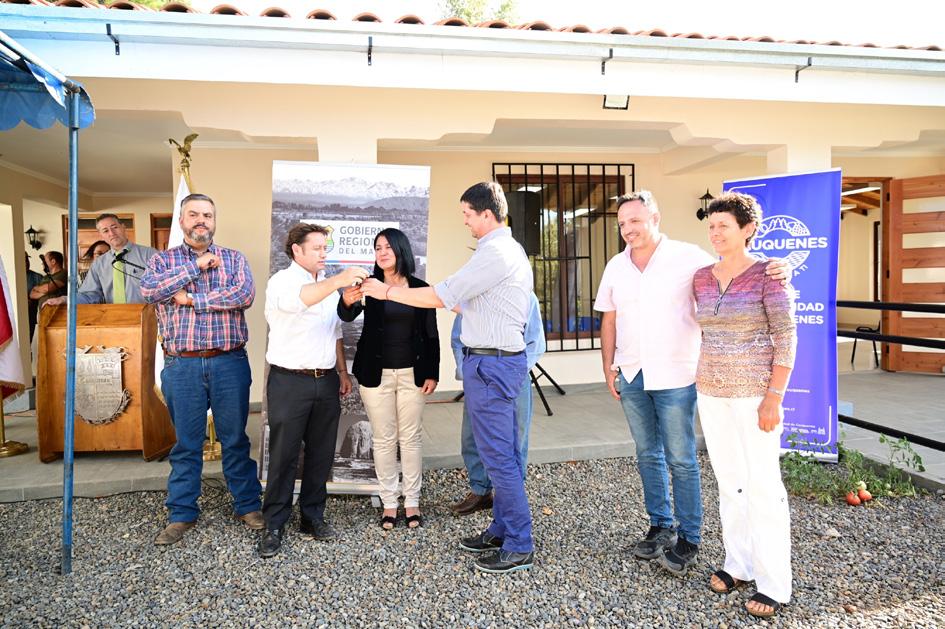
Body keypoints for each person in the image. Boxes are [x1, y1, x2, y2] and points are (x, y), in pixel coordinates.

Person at [593, 191, 788, 577]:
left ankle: (689, 537)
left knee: (681, 458)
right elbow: (609, 319)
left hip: (676, 374)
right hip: (631, 372)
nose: (628, 229)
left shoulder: (689, 258)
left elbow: (736, 266)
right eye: (622, 223)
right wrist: (608, 366)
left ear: (655, 218)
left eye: (635, 220)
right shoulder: (616, 265)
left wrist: (778, 267)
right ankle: (660, 525)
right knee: (647, 453)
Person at [361, 181, 535, 574]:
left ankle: (519, 542)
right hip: (493, 363)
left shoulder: (495, 253)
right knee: (498, 454)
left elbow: (442, 296)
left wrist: (386, 293)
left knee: (499, 458)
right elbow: (467, 303)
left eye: (467, 215)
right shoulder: (502, 251)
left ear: (486, 214)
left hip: (491, 365)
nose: (465, 222)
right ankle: (502, 529)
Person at [693, 192, 796, 619]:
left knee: (763, 487)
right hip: (710, 393)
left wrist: (775, 397)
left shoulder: (769, 275)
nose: (715, 233)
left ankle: (775, 583)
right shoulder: (701, 276)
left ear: (748, 229)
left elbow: (786, 337)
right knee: (729, 482)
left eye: (724, 226)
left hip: (755, 396)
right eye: (711, 226)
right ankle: (739, 564)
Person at [141, 193, 264, 546]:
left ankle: (247, 505)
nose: (201, 220)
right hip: (182, 366)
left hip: (229, 363)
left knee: (235, 439)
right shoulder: (162, 261)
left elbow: (242, 296)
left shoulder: (234, 259)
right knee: (186, 444)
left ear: (214, 220)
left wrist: (192, 298)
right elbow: (150, 292)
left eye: (207, 215)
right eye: (193, 214)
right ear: (181, 220)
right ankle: (181, 513)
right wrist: (195, 267)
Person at [256, 223, 369, 558]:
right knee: (284, 455)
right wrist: (338, 281)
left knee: (321, 454)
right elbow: (301, 301)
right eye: (317, 248)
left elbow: (335, 333)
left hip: (326, 380)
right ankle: (274, 523)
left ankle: (312, 516)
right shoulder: (282, 282)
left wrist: (342, 372)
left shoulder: (328, 289)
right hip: (289, 381)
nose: (324, 254)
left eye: (325, 248)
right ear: (297, 250)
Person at [338, 228, 440, 530]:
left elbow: (431, 335)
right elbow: (346, 316)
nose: (382, 253)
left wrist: (432, 372)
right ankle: (389, 503)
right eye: (377, 248)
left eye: (387, 247)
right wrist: (347, 301)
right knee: (383, 440)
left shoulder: (420, 288)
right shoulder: (369, 285)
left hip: (413, 375)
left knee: (410, 439)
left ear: (401, 250)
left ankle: (412, 501)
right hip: (375, 374)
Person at [448, 292, 544, 516]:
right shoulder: (472, 296)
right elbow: (458, 338)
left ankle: (510, 496)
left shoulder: (525, 296)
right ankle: (480, 491)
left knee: (515, 438)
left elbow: (535, 342)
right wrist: (466, 372)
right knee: (471, 436)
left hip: (514, 377)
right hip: (478, 377)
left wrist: (515, 372)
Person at [46, 214, 158, 306]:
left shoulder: (150, 254)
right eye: (105, 231)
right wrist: (64, 299)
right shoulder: (99, 263)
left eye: (115, 227)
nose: (112, 233)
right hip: (112, 319)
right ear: (101, 235)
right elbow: (90, 295)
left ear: (123, 227)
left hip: (148, 317)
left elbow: (163, 287)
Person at [24, 252, 43, 342]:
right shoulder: (10, 276)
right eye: (24, 260)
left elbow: (44, 295)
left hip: (31, 316)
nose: (26, 263)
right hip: (13, 318)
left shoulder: (37, 277)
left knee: (28, 343)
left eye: (27, 260)